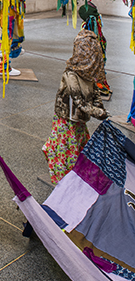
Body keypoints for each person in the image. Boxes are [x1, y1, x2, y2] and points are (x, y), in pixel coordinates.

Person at [42, 25, 108, 184]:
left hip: (79, 121)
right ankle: (64, 181)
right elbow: (80, 102)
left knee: (80, 150)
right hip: (67, 121)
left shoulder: (87, 75)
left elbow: (94, 94)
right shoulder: (70, 75)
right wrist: (98, 113)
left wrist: (99, 106)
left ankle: (73, 175)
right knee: (67, 154)